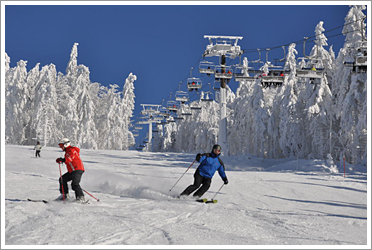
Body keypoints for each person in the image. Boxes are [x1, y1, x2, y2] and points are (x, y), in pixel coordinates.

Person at [55, 138, 85, 202]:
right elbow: (68, 158)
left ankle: (80, 198)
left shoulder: (71, 150)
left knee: (75, 184)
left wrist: (62, 160)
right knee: (62, 179)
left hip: (77, 169)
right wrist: (61, 159)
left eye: (61, 145)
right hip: (72, 171)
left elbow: (70, 158)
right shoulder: (68, 151)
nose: (61, 147)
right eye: (60, 146)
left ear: (66, 144)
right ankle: (64, 195)